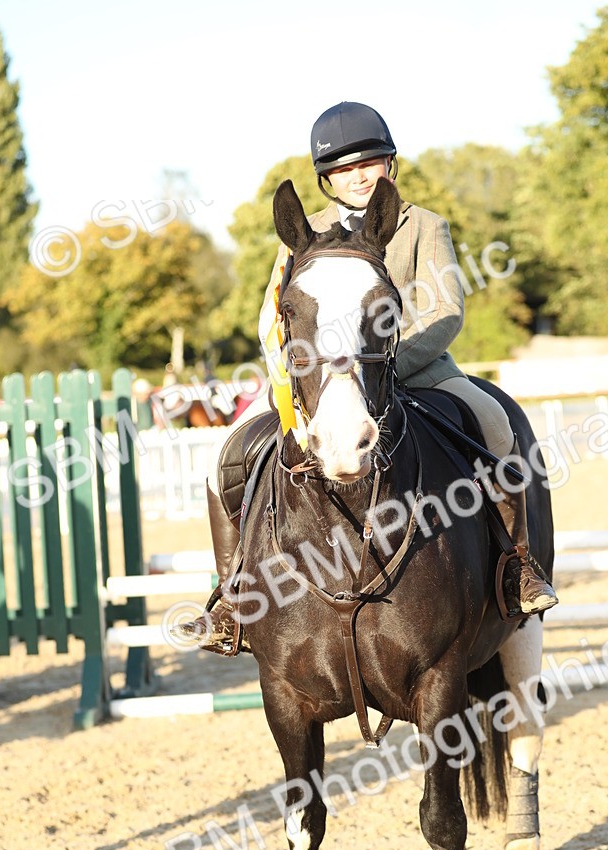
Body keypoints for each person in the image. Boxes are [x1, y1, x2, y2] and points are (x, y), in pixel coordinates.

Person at [197, 101, 557, 652]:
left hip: (420, 371)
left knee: (496, 425)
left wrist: (383, 372)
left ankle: (516, 567)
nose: (358, 176)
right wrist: (298, 381)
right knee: (224, 455)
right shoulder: (303, 234)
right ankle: (233, 597)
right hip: (321, 388)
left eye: (368, 163)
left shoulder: (424, 225)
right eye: (343, 169)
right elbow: (273, 316)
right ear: (326, 179)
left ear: (390, 163)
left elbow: (444, 310)